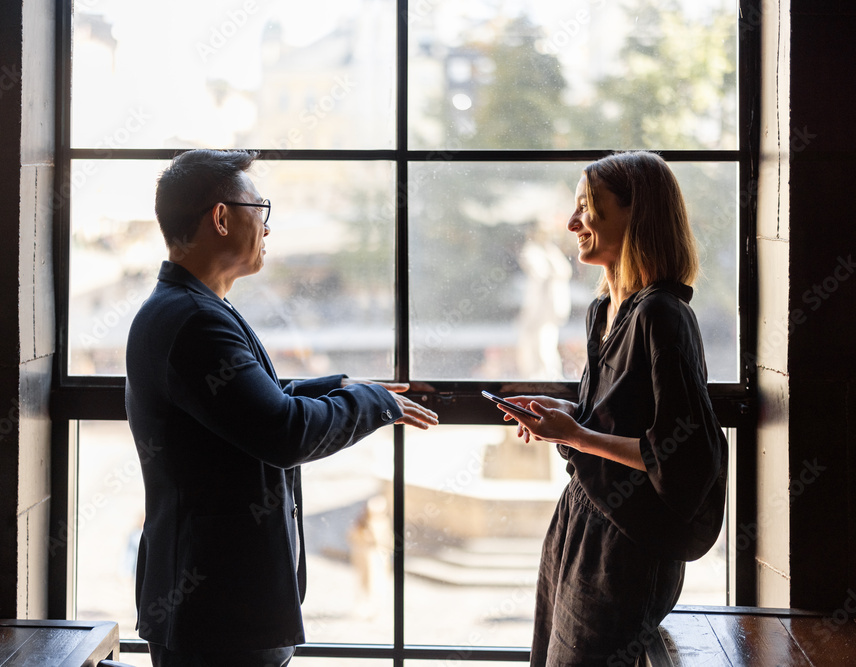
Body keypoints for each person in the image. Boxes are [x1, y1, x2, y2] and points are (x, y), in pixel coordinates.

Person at [125, 149, 438, 667]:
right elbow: (283, 432)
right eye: (260, 209)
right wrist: (373, 401)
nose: (268, 228)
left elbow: (249, 405)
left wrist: (339, 385)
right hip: (218, 610)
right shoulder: (196, 321)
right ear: (221, 218)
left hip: (211, 604)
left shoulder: (187, 308)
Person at [498, 151, 728, 666]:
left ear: (636, 214)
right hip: (580, 518)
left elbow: (685, 455)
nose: (572, 222)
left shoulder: (664, 317)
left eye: (588, 207)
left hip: (629, 544)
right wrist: (563, 414)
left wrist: (575, 435)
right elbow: (613, 416)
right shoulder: (604, 309)